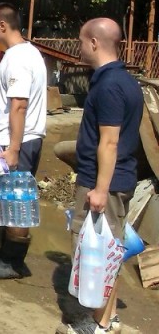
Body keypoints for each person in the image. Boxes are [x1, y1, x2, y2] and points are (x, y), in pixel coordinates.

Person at [58, 18, 142, 334]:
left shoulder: (109, 86)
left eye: (81, 41)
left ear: (94, 42)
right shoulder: (121, 80)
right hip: (113, 180)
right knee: (109, 248)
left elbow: (109, 140)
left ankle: (100, 325)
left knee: (100, 254)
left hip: (104, 183)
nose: (79, 47)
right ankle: (107, 319)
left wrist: (99, 189)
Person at [0, 2, 46, 280]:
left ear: (2, 25)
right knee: (7, 197)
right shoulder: (23, 53)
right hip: (13, 138)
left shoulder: (18, 58)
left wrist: (13, 148)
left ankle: (13, 262)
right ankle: (6, 252)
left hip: (18, 139)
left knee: (17, 199)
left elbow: (19, 105)